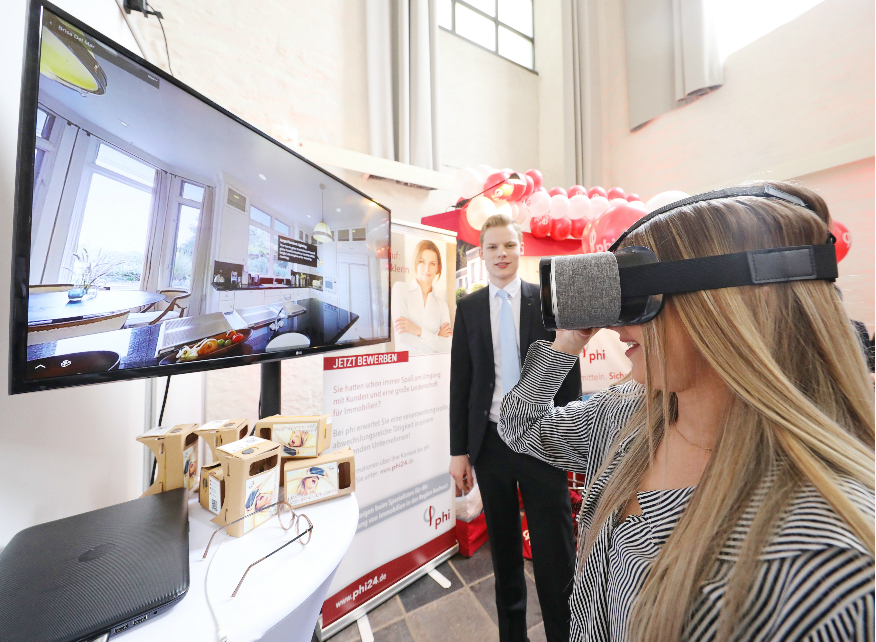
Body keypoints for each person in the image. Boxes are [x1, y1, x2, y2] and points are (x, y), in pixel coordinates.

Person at [499, 182, 874, 642]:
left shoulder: (828, 571)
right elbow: (521, 426)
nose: (616, 323)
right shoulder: (630, 417)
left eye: (636, 298)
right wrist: (566, 343)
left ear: (722, 308)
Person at [449, 214, 582, 642]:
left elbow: (568, 375)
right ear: (481, 254)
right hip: (490, 444)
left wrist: (570, 435)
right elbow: (461, 383)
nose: (501, 254)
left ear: (520, 248)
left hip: (543, 439)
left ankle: (564, 632)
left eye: (508, 245)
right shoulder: (469, 308)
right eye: (492, 247)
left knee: (555, 552)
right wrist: (459, 451)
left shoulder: (545, 300)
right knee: (504, 553)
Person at [392, 240, 453, 355]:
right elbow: (403, 337)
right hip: (405, 369)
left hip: (433, 370)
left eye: (432, 263)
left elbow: (447, 346)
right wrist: (436, 338)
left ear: (438, 268)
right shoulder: (400, 289)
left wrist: (418, 330)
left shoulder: (442, 305)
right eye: (422, 262)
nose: (427, 268)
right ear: (416, 262)